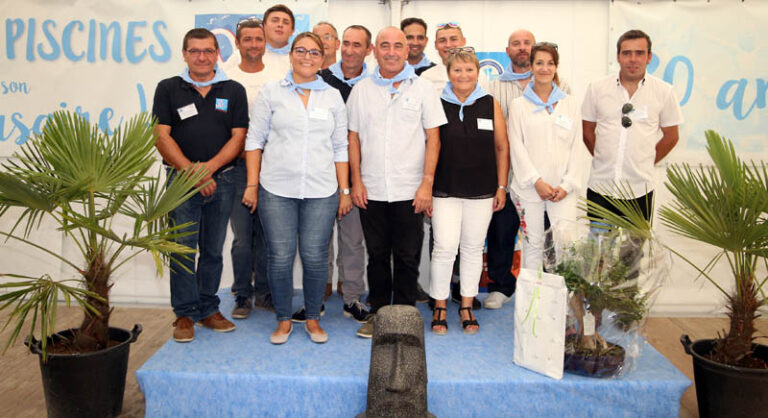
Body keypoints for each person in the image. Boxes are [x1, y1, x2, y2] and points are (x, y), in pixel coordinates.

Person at [241, 32, 351, 345]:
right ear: (291, 55)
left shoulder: (332, 97)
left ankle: (313, 319)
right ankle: (283, 320)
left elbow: (340, 146)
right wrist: (251, 184)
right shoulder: (272, 92)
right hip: (276, 189)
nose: (307, 57)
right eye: (300, 50)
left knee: (315, 258)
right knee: (279, 256)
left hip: (321, 191)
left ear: (323, 58)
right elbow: (254, 140)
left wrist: (344, 191)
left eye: (314, 52)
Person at [347, 27, 446, 338]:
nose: (391, 51)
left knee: (406, 255)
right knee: (376, 255)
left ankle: (403, 315)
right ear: (374, 50)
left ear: (407, 51)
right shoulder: (361, 90)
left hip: (409, 189)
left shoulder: (424, 89)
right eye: (384, 45)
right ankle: (377, 311)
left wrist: (427, 184)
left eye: (398, 46)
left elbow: (434, 139)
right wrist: (356, 181)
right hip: (372, 188)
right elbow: (353, 139)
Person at [152, 28, 248, 342]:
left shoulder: (233, 89)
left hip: (224, 180)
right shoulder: (168, 88)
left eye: (208, 50)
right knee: (182, 251)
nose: (202, 57)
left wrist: (209, 169)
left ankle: (208, 308)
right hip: (181, 183)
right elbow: (161, 136)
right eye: (195, 51)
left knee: (212, 250)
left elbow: (238, 138)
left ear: (217, 53)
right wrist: (192, 173)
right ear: (184, 54)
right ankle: (184, 314)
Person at [429, 48, 509, 335]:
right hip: (444, 190)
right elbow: (429, 147)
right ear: (448, 73)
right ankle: (439, 305)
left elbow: (501, 147)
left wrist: (501, 186)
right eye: (457, 70)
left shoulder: (490, 104)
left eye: (469, 70)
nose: (463, 75)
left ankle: (465, 304)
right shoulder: (436, 102)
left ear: (478, 72)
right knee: (445, 248)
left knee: (474, 249)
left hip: (483, 191)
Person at [582, 29, 682, 222]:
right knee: (598, 251)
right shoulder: (597, 88)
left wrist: (645, 160)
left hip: (640, 190)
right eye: (627, 53)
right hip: (600, 188)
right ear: (618, 56)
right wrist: (605, 157)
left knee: (633, 252)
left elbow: (672, 136)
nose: (633, 59)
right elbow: (587, 130)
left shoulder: (664, 92)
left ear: (649, 57)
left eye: (639, 53)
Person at [508, 42, 589, 270]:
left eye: (550, 63)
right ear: (531, 67)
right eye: (539, 63)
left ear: (556, 67)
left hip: (562, 190)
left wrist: (567, 185)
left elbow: (576, 147)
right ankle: (531, 305)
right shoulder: (519, 105)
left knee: (566, 247)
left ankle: (564, 304)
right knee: (533, 246)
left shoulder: (570, 103)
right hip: (529, 188)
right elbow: (516, 146)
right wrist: (537, 181)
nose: (545, 68)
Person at [227, 18, 286, 319]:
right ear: (237, 43)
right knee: (241, 237)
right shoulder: (224, 76)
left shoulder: (280, 75)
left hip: (273, 167)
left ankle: (264, 293)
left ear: (265, 42)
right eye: (247, 39)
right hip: (237, 168)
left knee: (269, 236)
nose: (253, 45)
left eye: (258, 39)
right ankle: (242, 295)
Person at [481, 29, 534, 310]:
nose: (522, 48)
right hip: (506, 175)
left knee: (543, 236)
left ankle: (544, 288)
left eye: (527, 43)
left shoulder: (557, 85)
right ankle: (500, 287)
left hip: (541, 179)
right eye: (516, 44)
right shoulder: (494, 87)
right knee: (501, 233)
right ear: (507, 50)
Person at [419, 22, 466, 93]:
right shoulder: (426, 78)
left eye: (453, 39)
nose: (448, 45)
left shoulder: (478, 76)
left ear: (463, 41)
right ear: (436, 45)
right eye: (442, 40)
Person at [261, 4, 295, 76]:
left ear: (292, 31)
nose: (280, 25)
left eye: (285, 22)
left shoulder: (300, 58)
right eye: (275, 20)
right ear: (263, 26)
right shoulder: (243, 55)